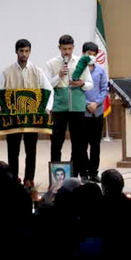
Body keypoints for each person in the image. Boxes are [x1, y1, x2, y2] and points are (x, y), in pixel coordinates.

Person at [0, 39, 53, 185]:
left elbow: (49, 90)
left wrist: (47, 108)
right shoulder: (7, 71)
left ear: (30, 52)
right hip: (13, 120)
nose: (24, 54)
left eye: (26, 51)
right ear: (16, 52)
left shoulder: (37, 71)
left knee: (31, 151)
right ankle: (13, 180)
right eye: (21, 51)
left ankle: (29, 180)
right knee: (13, 151)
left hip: (32, 120)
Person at [45, 35, 93, 180]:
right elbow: (47, 86)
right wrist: (59, 76)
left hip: (77, 108)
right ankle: (55, 176)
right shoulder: (51, 63)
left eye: (69, 49)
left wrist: (81, 84)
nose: (67, 52)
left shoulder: (81, 62)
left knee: (78, 143)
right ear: (59, 48)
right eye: (64, 49)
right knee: (56, 142)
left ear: (73, 48)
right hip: (59, 109)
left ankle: (74, 174)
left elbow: (90, 84)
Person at [83, 42, 109, 182]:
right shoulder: (78, 71)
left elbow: (104, 89)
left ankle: (93, 172)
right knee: (82, 144)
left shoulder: (100, 70)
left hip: (97, 112)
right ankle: (84, 172)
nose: (91, 56)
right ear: (83, 54)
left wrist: (96, 103)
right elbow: (76, 90)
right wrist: (87, 104)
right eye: (89, 54)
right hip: (83, 112)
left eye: (94, 54)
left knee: (95, 144)